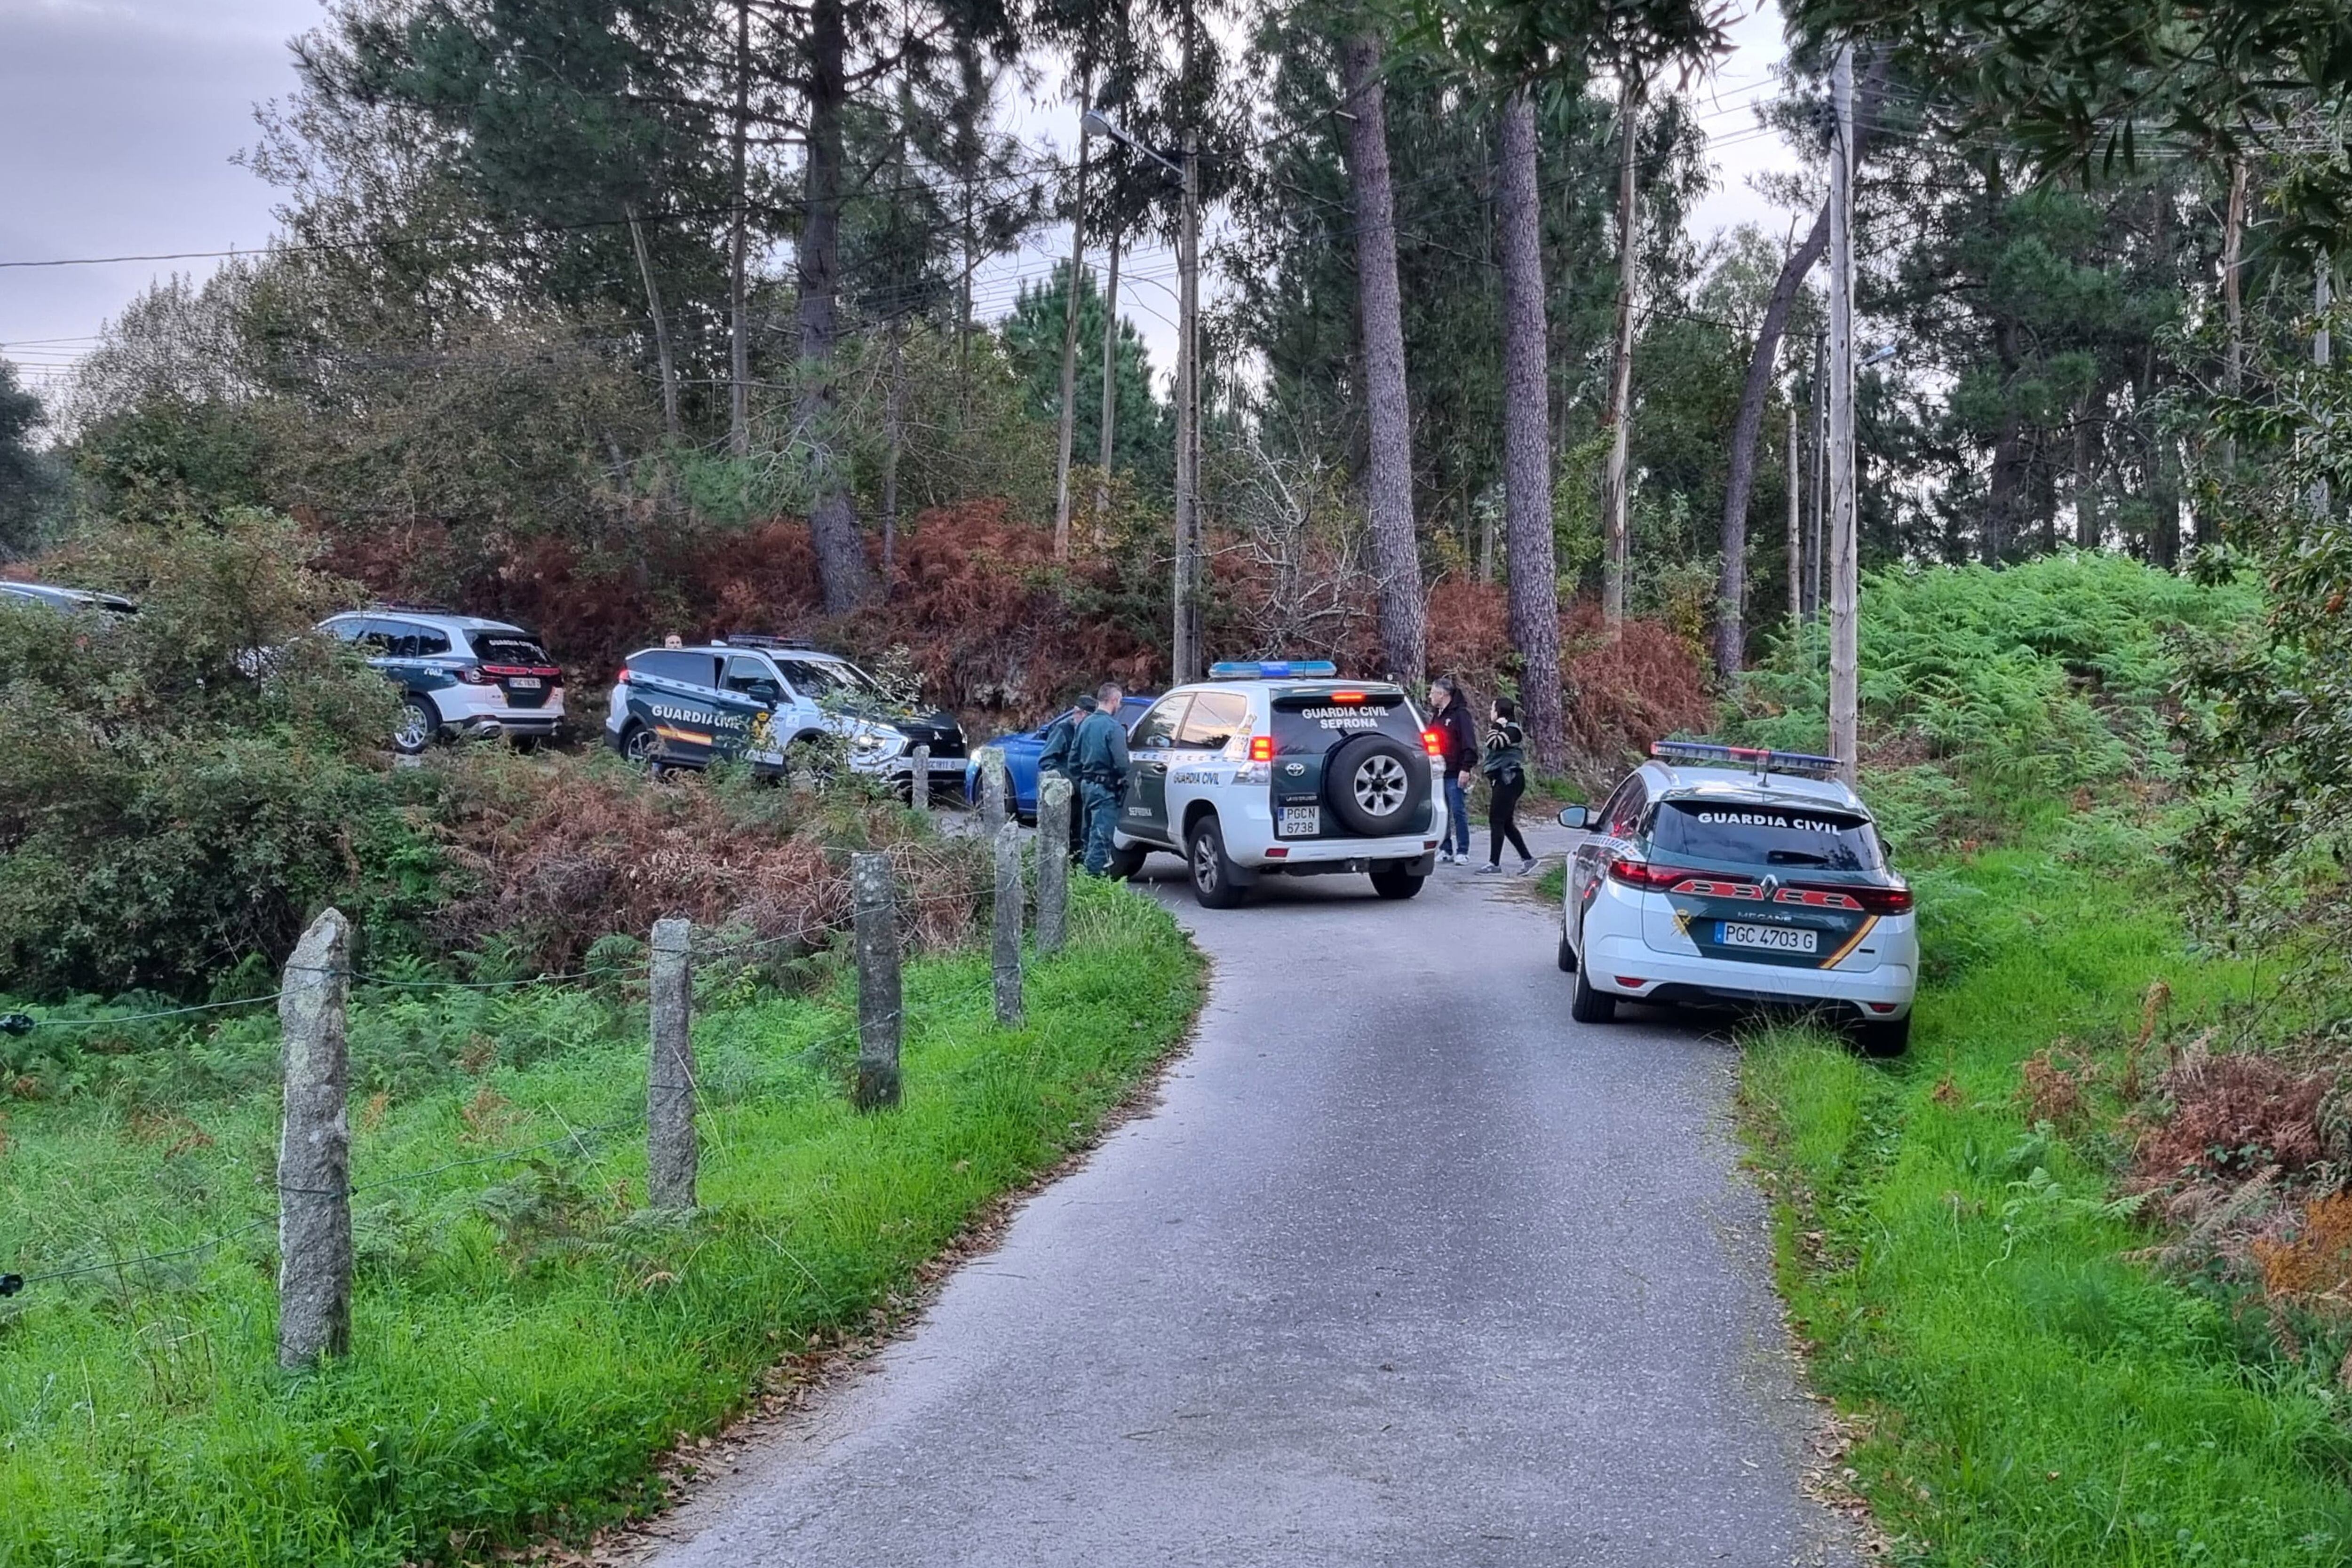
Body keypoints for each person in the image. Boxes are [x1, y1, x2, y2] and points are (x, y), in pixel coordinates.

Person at [1072, 681, 1131, 875]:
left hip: (1087, 786)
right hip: (1106, 789)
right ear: (1114, 700)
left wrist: (1084, 778)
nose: (1120, 706)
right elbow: (1123, 765)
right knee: (1101, 838)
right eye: (1119, 702)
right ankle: (1093, 882)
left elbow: (1073, 761)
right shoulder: (1114, 728)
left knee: (1088, 835)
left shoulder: (1084, 724)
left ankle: (1082, 877)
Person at [1476, 696, 1537, 876]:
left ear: (1500, 712)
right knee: (1506, 823)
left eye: (1493, 708)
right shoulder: (1505, 729)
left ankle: (1494, 863)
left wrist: (1497, 726)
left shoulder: (1512, 730)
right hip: (1504, 779)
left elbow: (1493, 743)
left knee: (1496, 820)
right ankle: (1528, 859)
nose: (1491, 712)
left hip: (1509, 779)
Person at [1036, 691, 1096, 855]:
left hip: (1085, 792)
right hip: (1067, 793)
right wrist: (1069, 781)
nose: (1077, 715)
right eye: (1076, 712)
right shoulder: (1063, 730)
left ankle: (1079, 867)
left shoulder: (1090, 733)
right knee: (1064, 835)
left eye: (1080, 713)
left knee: (1082, 835)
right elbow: (1046, 761)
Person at [1427, 677, 1478, 865]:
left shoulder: (1460, 715)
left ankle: (1463, 850)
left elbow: (1469, 743)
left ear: (1442, 694)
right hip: (1438, 772)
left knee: (1458, 811)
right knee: (1442, 812)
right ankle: (1445, 848)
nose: (1430, 696)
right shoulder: (1437, 716)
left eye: (1433, 692)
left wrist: (1466, 768)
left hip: (1455, 771)